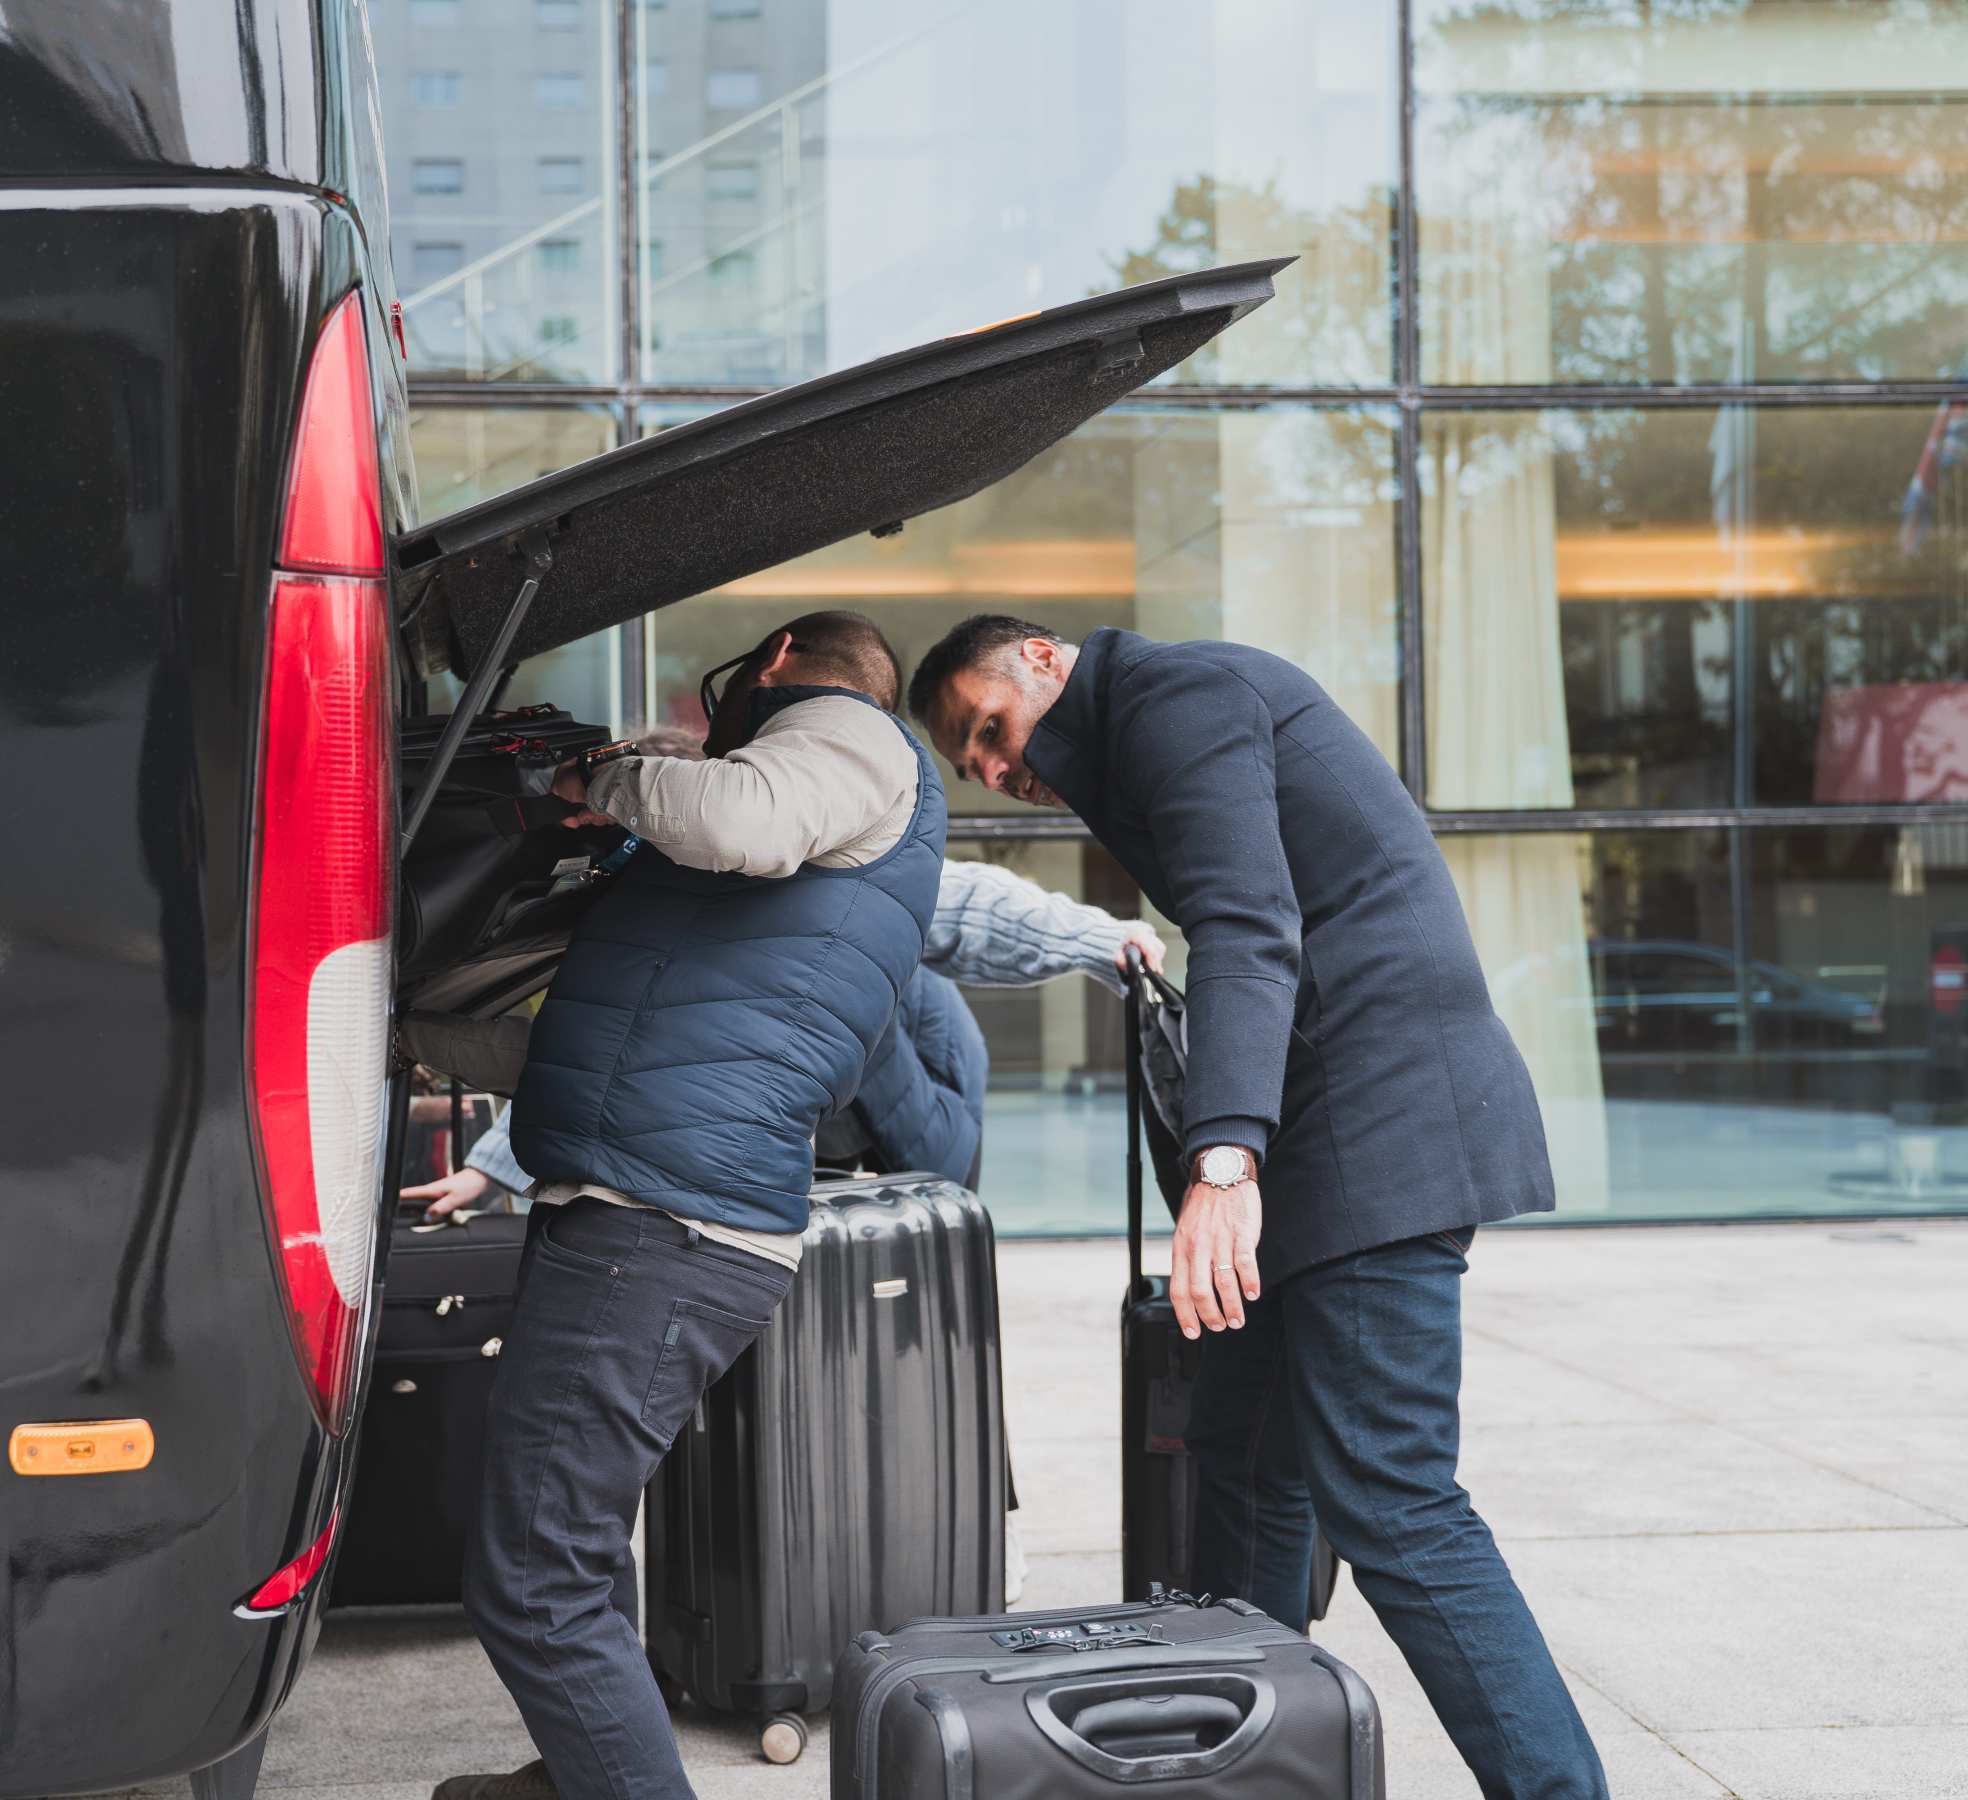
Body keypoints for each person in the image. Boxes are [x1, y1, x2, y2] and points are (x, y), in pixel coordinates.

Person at [909, 618, 1609, 1800]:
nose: (991, 768)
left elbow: (1245, 921)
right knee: (1240, 1452)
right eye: (969, 762)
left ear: (1041, 657)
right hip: (1336, 1131)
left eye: (989, 730)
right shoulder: (1138, 737)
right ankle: (1258, 1764)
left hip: (1385, 1129)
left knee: (1390, 1494)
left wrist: (1222, 1165)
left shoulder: (1175, 697)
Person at [438, 610, 942, 1800]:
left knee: (533, 1576)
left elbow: (742, 820)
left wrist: (594, 771)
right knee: (576, 1548)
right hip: (643, 1213)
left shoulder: (848, 733)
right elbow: (635, 1027)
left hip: (660, 1227)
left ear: (769, 664)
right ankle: (581, 1774)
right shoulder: (792, 823)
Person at [403, 854, 1166, 1214]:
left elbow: (967, 903)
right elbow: (600, 1050)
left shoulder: (812, 883)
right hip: (819, 1137)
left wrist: (1098, 941)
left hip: (924, 1120)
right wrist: (490, 1169)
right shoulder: (666, 925)